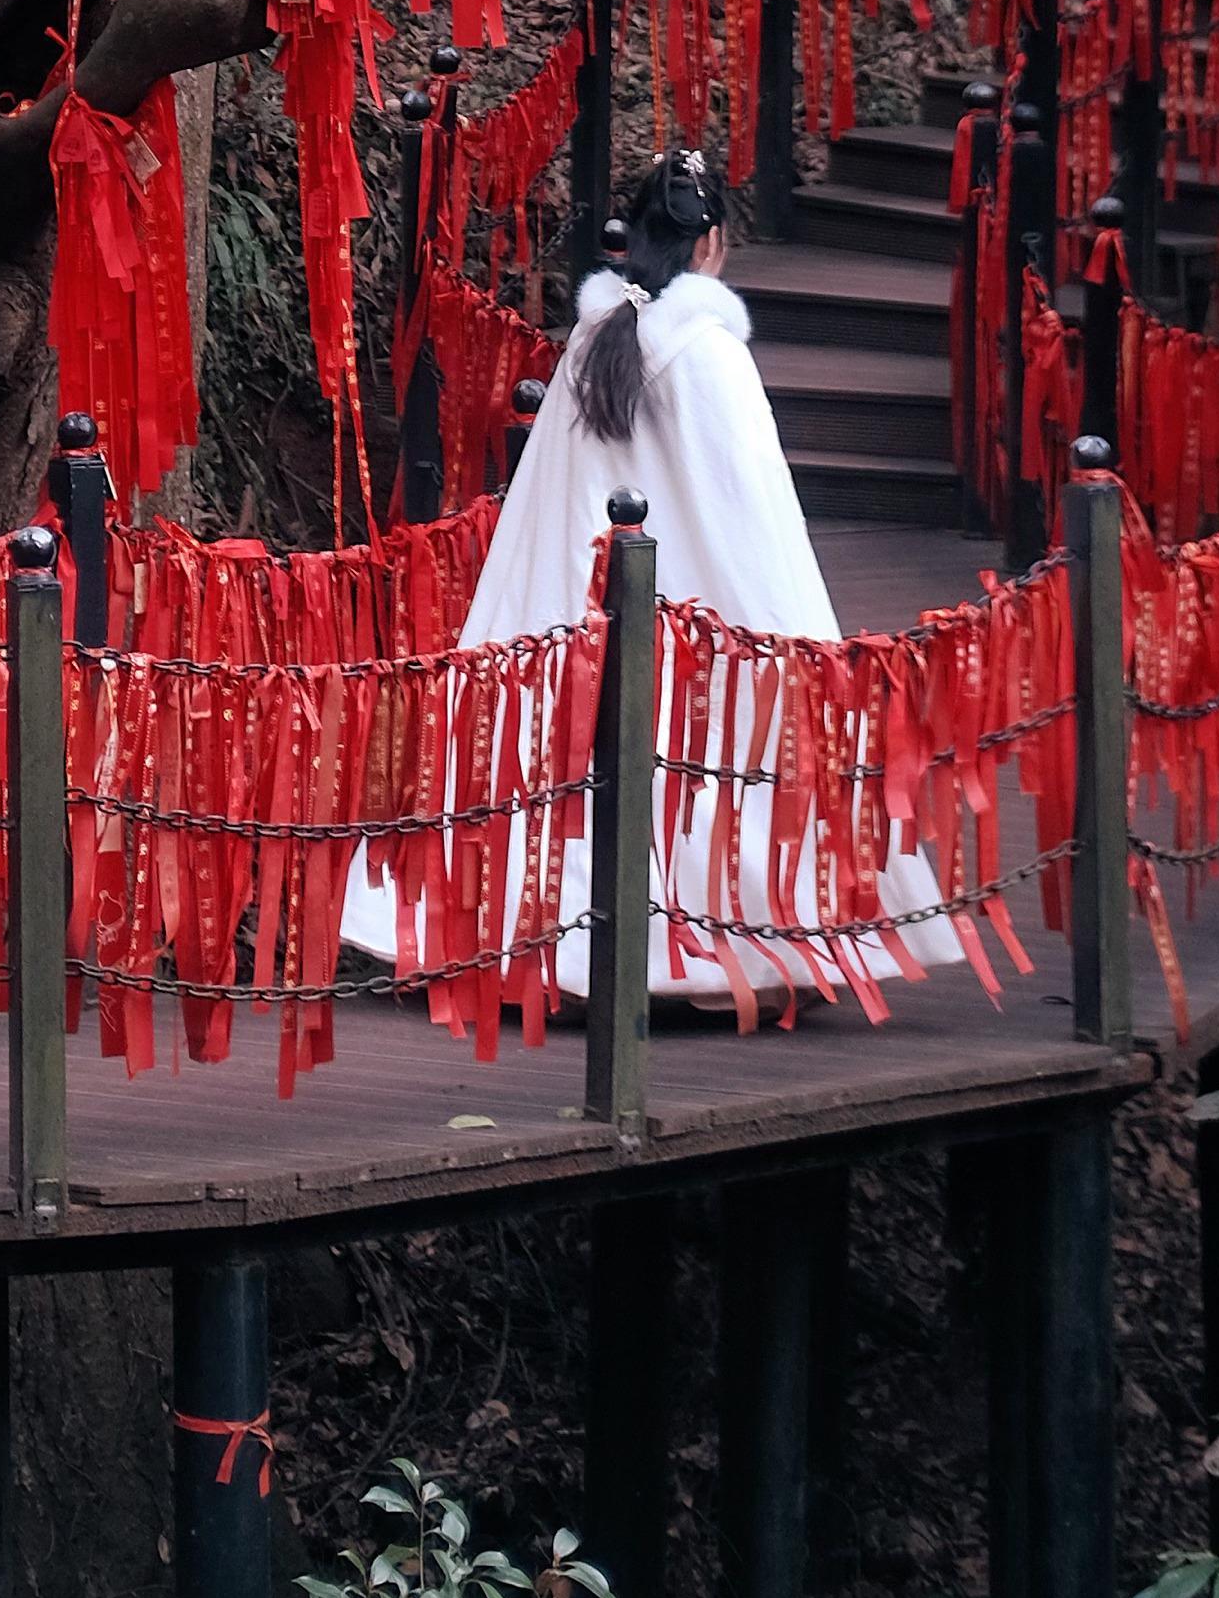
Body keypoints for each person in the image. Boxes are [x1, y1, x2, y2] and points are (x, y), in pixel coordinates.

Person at [343, 146, 964, 1005]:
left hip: (576, 610)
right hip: (689, 614)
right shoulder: (706, 355)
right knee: (701, 748)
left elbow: (548, 498)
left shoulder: (595, 339)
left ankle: (529, 948)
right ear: (710, 244)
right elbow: (752, 510)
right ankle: (722, 958)